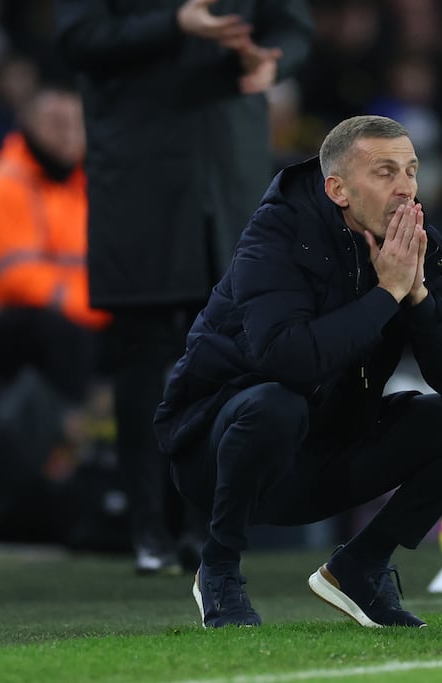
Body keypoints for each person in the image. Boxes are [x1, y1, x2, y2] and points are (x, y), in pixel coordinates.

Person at [154, 115, 442, 628]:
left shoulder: (412, 240)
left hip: (327, 450)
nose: (406, 188)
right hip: (216, 456)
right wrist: (386, 294)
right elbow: (288, 360)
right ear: (338, 189)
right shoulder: (276, 235)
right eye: (385, 172)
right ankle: (218, 569)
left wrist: (417, 296)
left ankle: (360, 567)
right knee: (275, 404)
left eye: (411, 171)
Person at [54, 0, 314, 575]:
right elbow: (77, 37)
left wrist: (273, 61)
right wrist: (172, 25)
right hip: (141, 173)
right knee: (142, 352)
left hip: (229, 169)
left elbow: (292, 24)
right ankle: (148, 528)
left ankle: (206, 527)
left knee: (228, 353)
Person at [0, 83, 109, 407]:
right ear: (28, 123)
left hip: (72, 313)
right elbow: (17, 280)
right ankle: (62, 429)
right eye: (55, 122)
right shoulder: (4, 185)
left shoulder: (84, 185)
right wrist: (96, 307)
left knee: (146, 331)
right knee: (63, 334)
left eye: (76, 123)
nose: (68, 133)